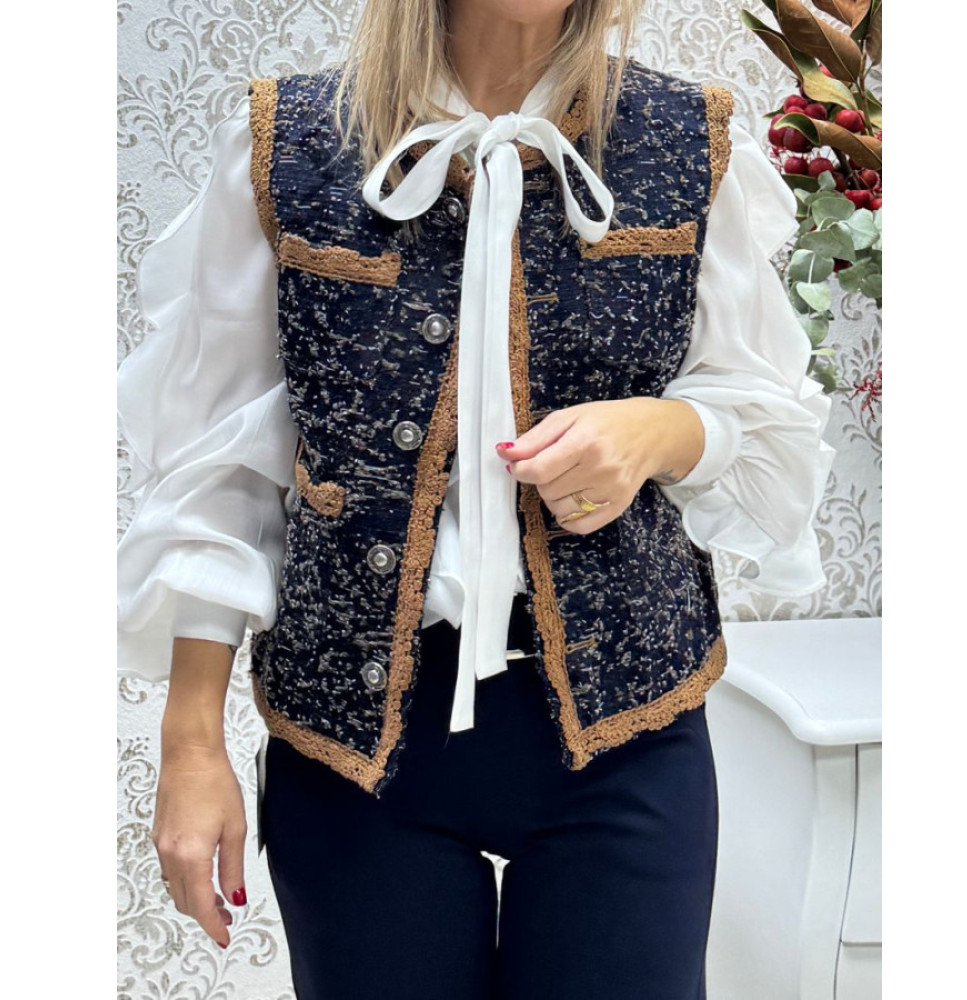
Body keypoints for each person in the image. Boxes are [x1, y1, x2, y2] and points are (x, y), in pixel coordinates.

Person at [117, 1, 834, 997]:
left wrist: (658, 432)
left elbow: (759, 414)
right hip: (356, 744)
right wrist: (191, 742)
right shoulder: (291, 140)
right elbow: (220, 467)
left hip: (624, 726)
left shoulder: (690, 140)